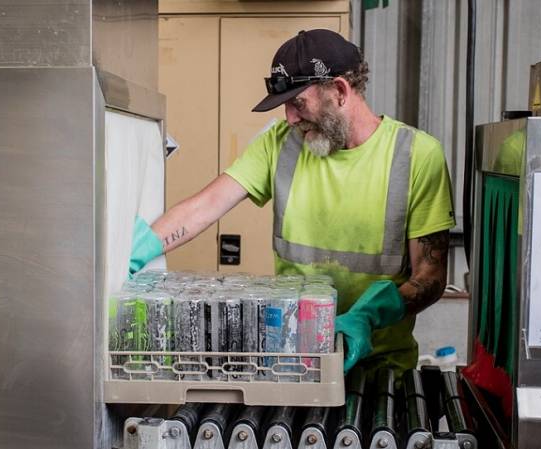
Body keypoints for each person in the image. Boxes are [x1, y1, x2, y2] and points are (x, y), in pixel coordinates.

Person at [129, 29, 455, 378]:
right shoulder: (281, 144)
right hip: (294, 363)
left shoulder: (417, 155)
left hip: (381, 368)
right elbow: (205, 206)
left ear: (340, 91)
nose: (290, 118)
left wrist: (368, 316)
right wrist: (132, 251)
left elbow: (430, 276)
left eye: (298, 103)